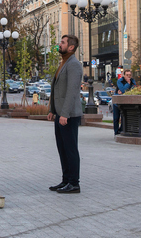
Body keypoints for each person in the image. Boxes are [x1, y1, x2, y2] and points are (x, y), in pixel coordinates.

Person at [47, 34, 83, 194]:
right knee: (62, 149)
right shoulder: (63, 63)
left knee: (70, 149)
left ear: (71, 47)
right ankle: (66, 180)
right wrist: (52, 110)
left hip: (68, 116)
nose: (59, 44)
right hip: (60, 114)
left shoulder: (74, 65)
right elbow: (56, 89)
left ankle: (74, 183)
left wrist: (65, 114)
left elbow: (72, 91)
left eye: (62, 42)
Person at [113, 70, 136, 135]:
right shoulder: (120, 81)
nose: (129, 76)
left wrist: (125, 90)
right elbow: (123, 90)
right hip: (117, 102)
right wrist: (128, 84)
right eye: (127, 75)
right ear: (124, 75)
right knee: (116, 118)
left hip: (125, 102)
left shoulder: (133, 81)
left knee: (124, 117)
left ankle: (121, 130)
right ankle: (116, 131)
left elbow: (133, 90)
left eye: (130, 75)